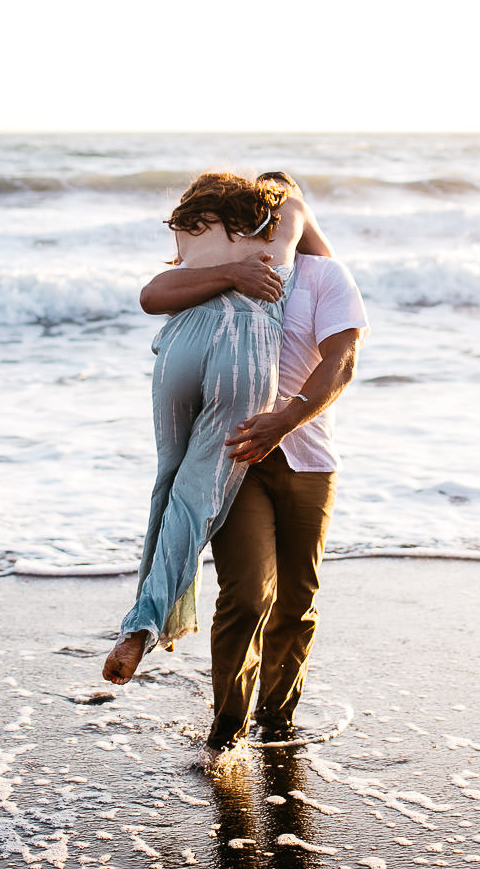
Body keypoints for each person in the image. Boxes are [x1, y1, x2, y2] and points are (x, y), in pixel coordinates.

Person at [134, 171, 368, 756]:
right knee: (246, 593)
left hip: (308, 456)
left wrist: (286, 418)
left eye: (267, 215)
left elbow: (343, 359)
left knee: (296, 596)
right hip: (236, 457)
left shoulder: (324, 277)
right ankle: (227, 730)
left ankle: (278, 718)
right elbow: (154, 296)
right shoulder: (219, 280)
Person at [102, 172, 334, 688]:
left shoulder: (192, 223)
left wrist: (224, 267)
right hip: (243, 344)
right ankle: (143, 623)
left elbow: (152, 295)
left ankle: (148, 612)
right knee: (198, 495)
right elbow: (326, 262)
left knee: (168, 483)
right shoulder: (284, 218)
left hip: (180, 345)